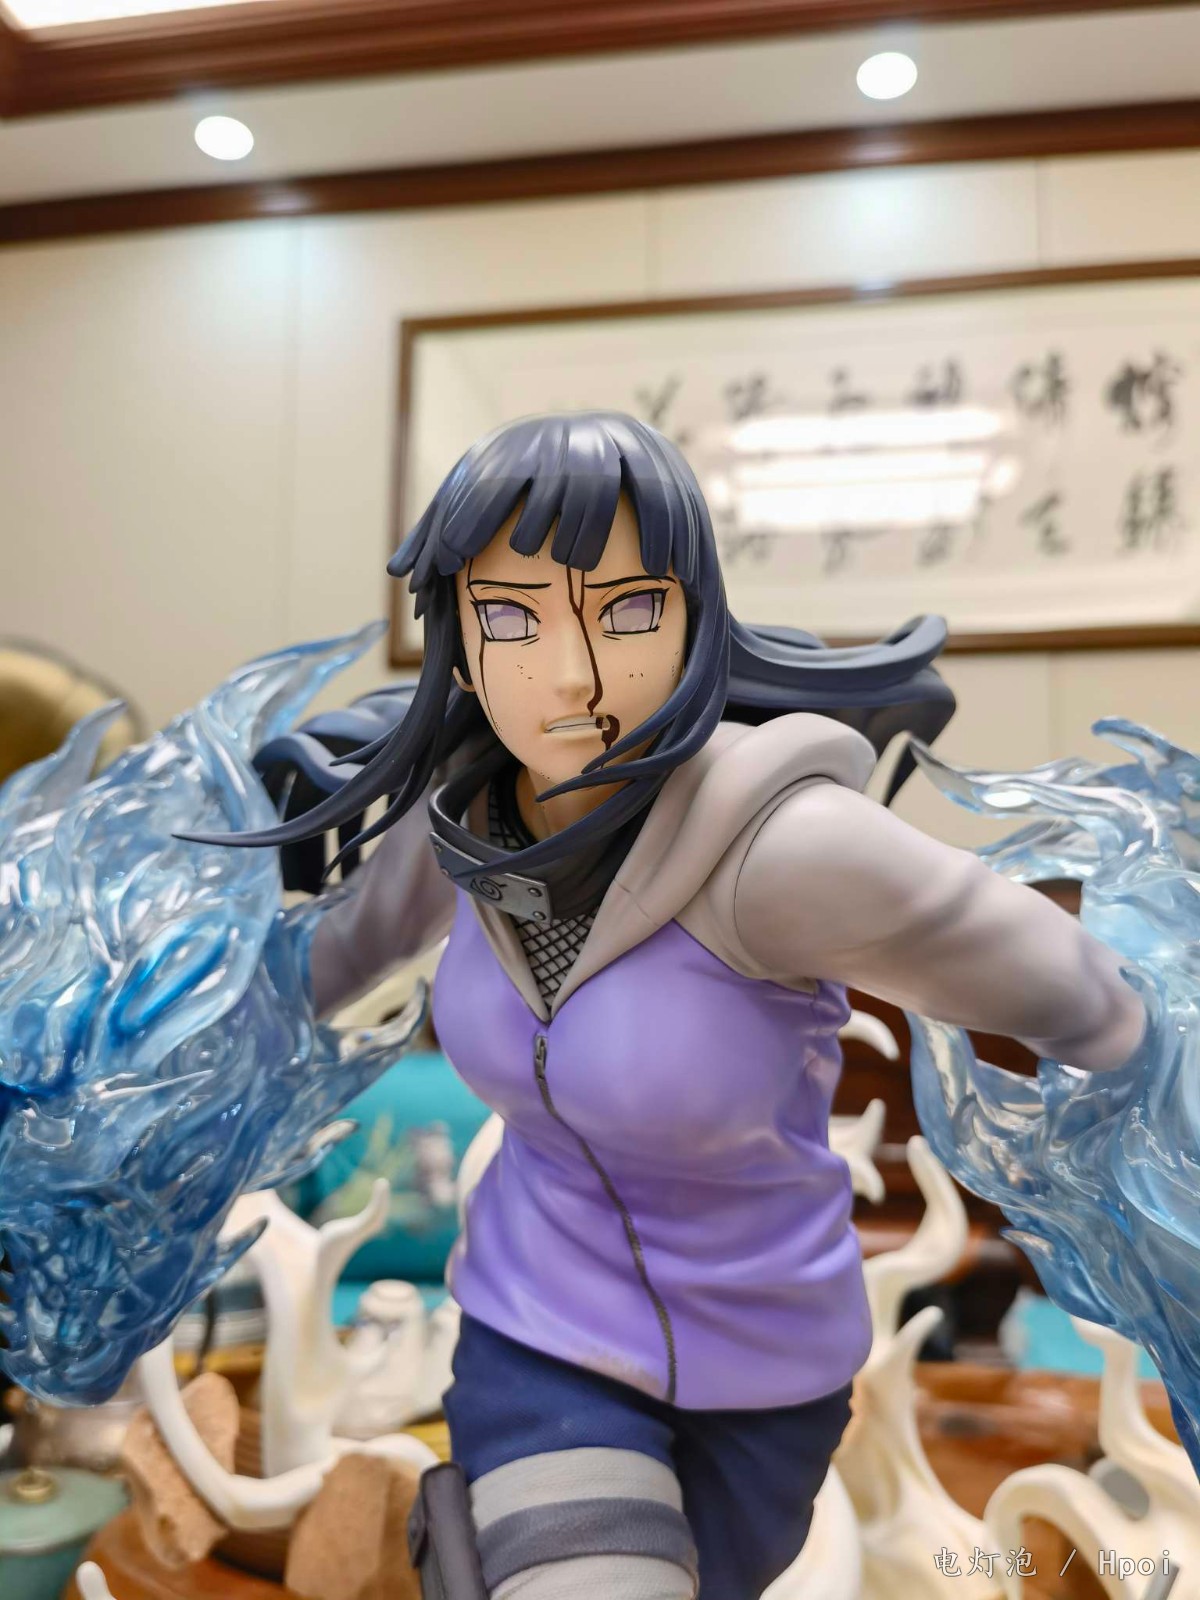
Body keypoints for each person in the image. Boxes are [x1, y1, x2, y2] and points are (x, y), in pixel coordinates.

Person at [242, 412, 1147, 1600]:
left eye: (626, 612)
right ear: (457, 642)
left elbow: (1098, 1005)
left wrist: (1145, 1181)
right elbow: (302, 978)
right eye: (509, 619)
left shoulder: (785, 851)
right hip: (534, 1336)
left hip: (765, 1377)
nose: (571, 674)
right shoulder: (455, 828)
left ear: (695, 620)